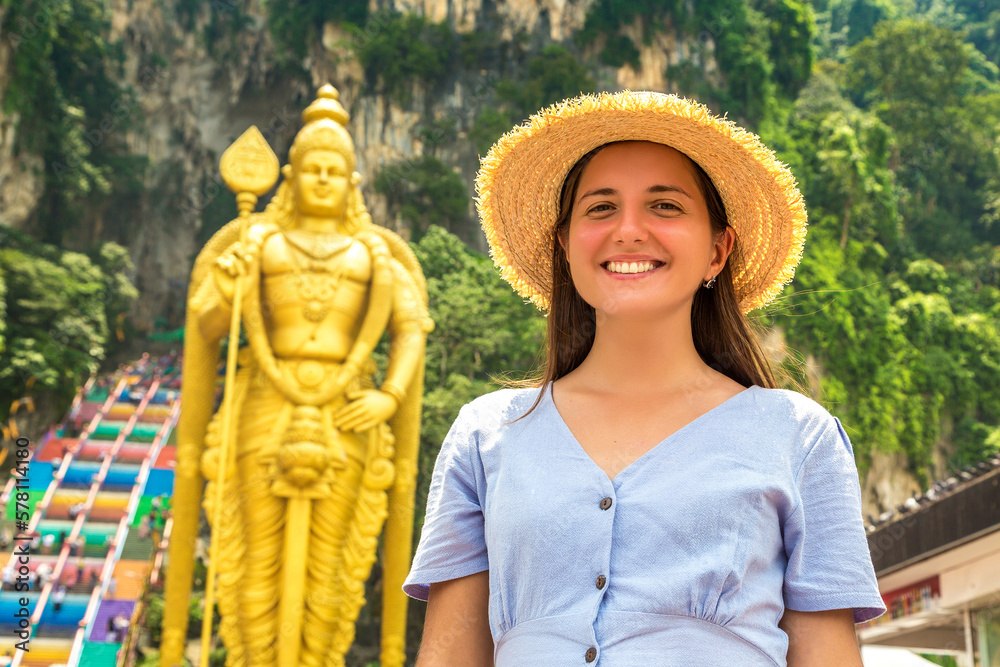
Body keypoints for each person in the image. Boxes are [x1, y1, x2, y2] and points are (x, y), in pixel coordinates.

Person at [403, 91, 886, 666]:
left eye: (665, 206)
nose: (629, 230)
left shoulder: (798, 436)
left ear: (718, 249)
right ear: (565, 245)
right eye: (601, 208)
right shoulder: (486, 434)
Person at [161, 85, 433, 667]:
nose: (324, 179)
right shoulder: (257, 242)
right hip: (265, 404)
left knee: (331, 568)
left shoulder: (376, 255)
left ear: (353, 181)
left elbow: (411, 328)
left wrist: (389, 395)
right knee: (256, 561)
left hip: (347, 412)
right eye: (313, 169)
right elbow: (206, 324)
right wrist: (231, 284)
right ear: (290, 174)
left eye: (337, 170)